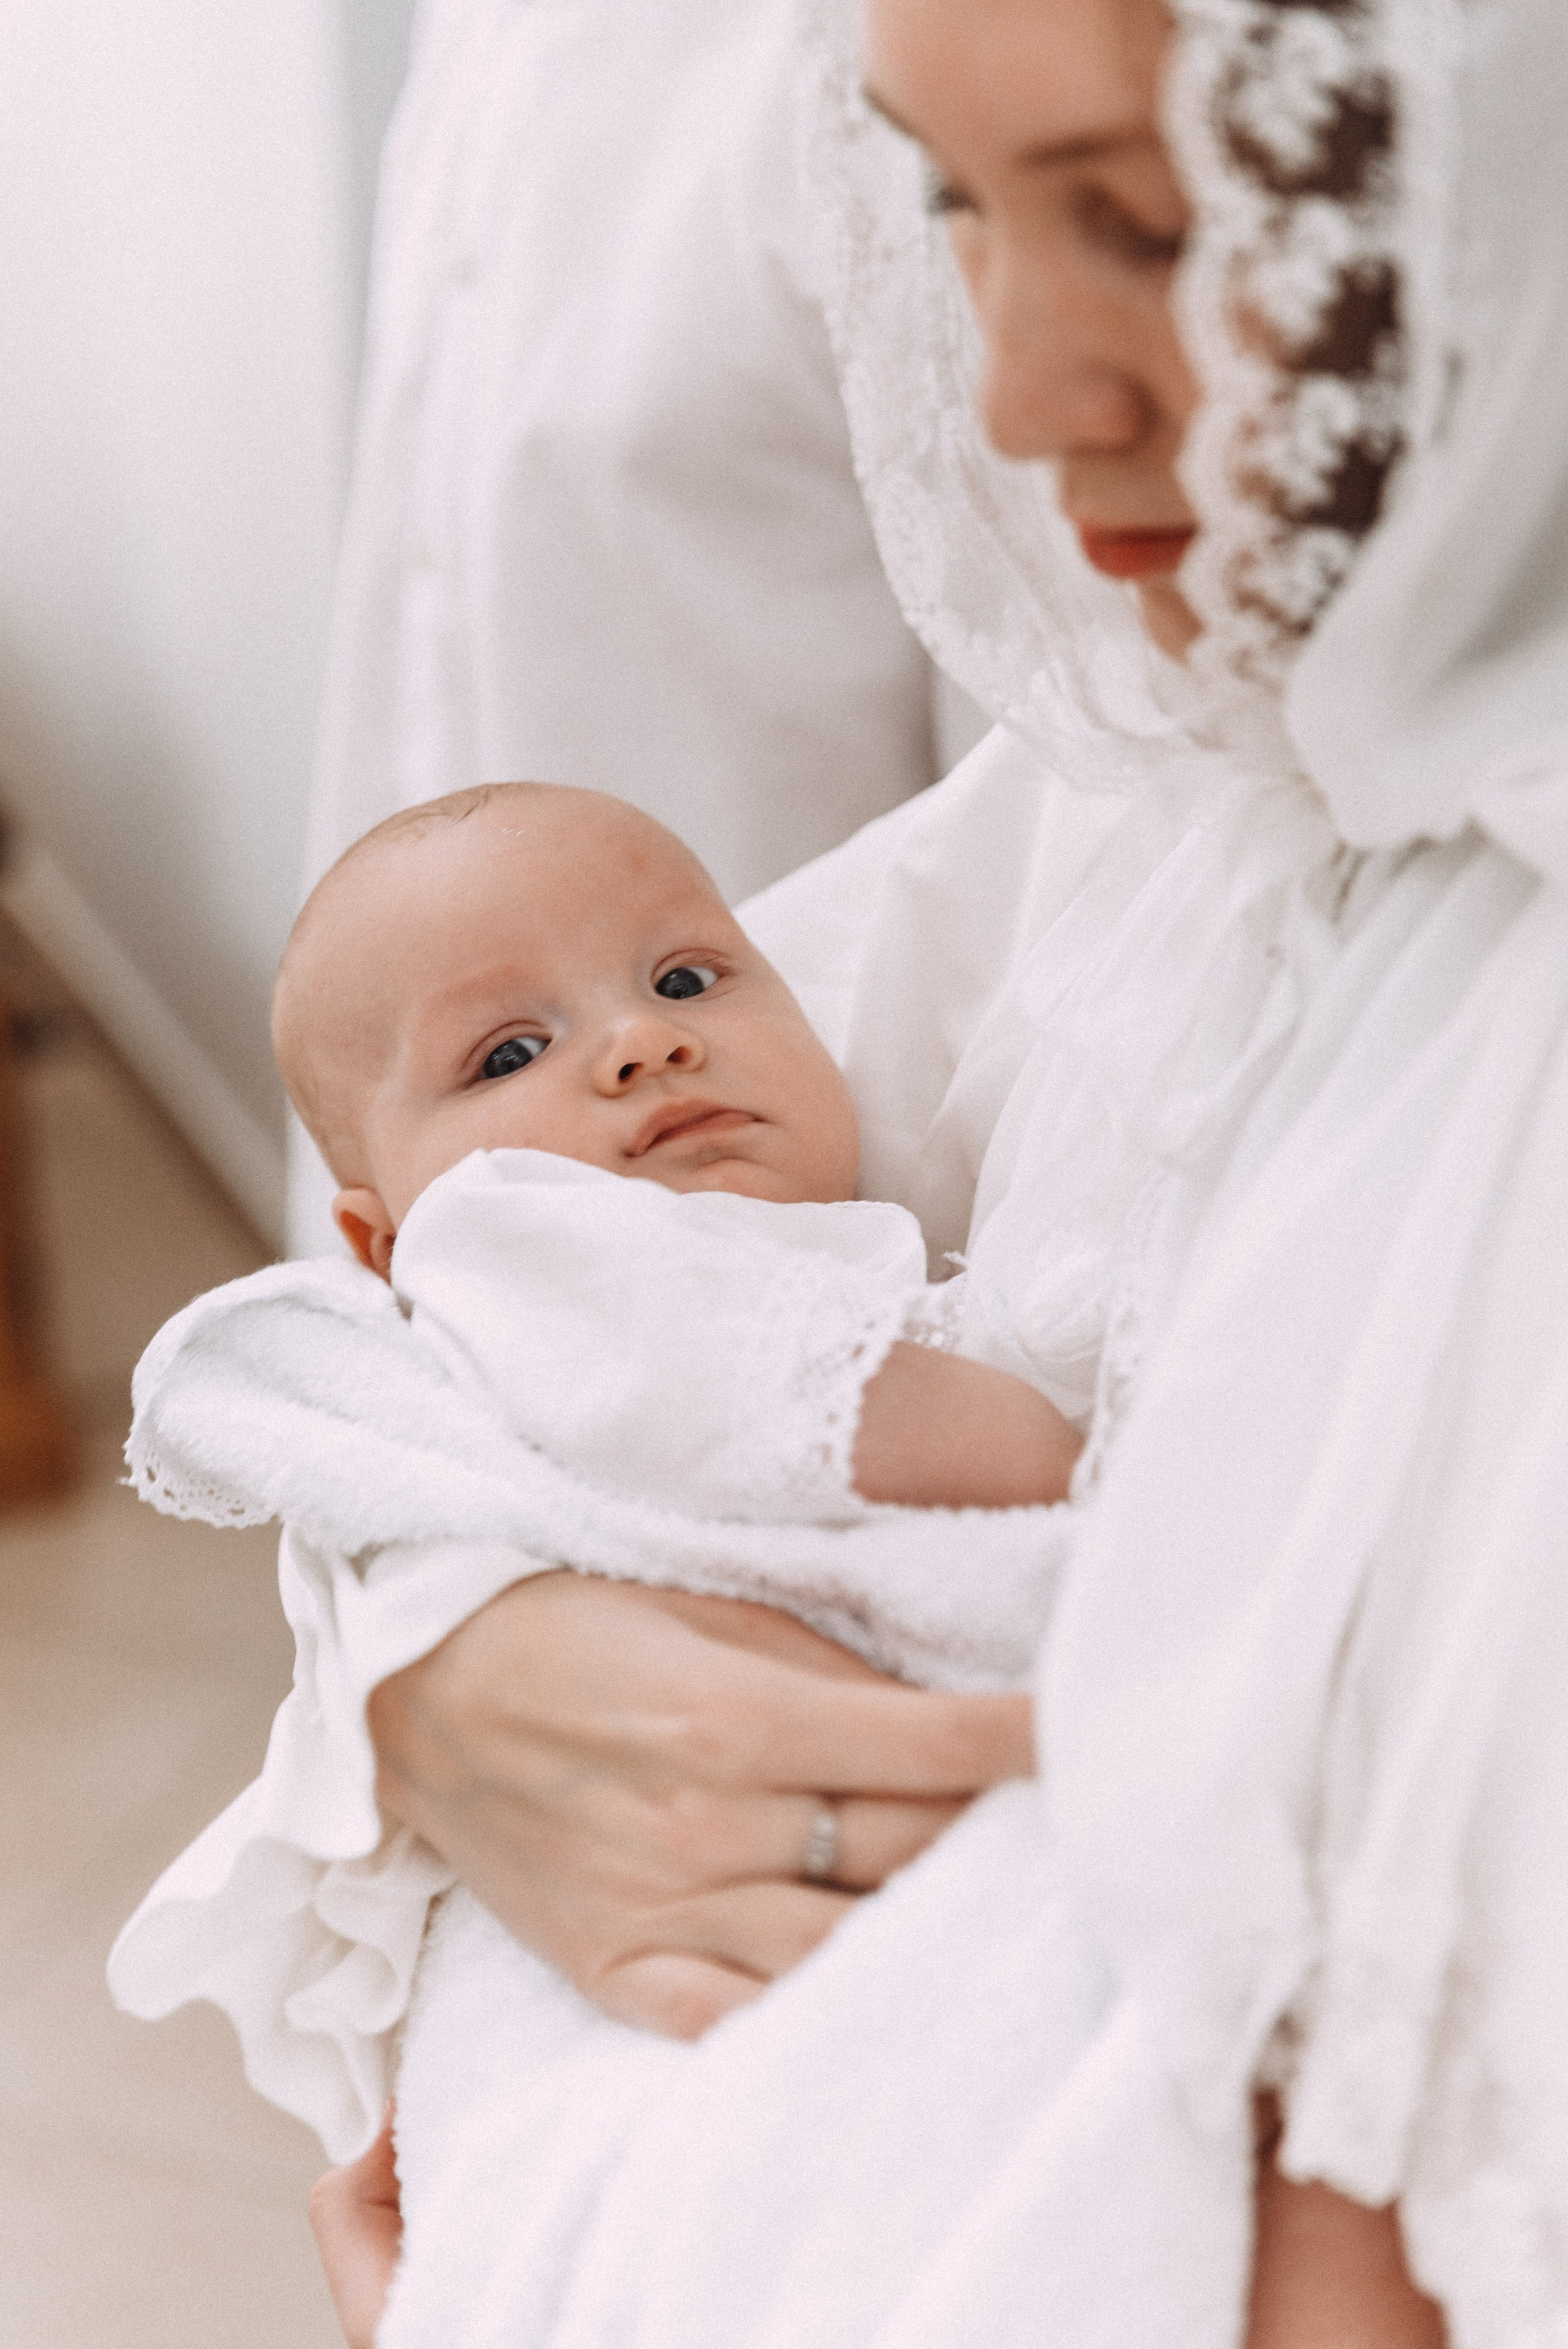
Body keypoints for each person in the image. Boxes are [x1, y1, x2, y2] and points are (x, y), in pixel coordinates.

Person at [315, 0, 1568, 2337]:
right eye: (955, 208)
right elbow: (428, 1290)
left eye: (1147, 221)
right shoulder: (1177, 783)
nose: (1016, 388)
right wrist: (440, 1655)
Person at [290, 0, 985, 1254]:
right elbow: (421, 584)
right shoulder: (482, 36)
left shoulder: (907, 70)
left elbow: (1041, 760)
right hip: (442, 1168)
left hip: (821, 1193)